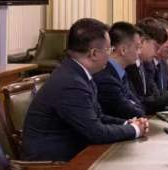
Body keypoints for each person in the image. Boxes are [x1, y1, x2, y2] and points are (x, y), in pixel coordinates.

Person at [22, 18, 148, 162]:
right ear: (94, 53)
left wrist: (127, 123)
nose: (110, 55)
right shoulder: (71, 83)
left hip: (72, 155)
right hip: (52, 165)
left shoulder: (78, 73)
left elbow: (98, 117)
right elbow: (96, 133)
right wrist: (135, 130)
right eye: (109, 50)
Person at [94, 22, 147, 120]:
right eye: (137, 47)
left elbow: (140, 105)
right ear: (123, 50)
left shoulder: (122, 72)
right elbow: (132, 112)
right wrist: (135, 107)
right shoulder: (106, 78)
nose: (139, 52)